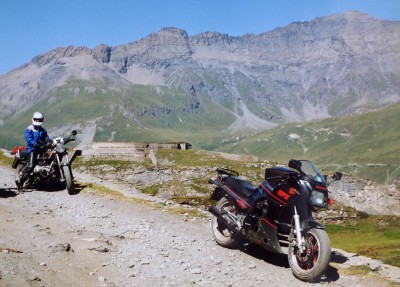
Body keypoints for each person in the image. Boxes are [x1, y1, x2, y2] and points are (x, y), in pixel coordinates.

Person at [17, 112, 50, 189]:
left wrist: (50, 142)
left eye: (39, 120)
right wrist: (36, 145)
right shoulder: (29, 129)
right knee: (31, 165)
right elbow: (29, 139)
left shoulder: (43, 130)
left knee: (48, 160)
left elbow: (47, 138)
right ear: (33, 119)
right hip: (32, 149)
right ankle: (21, 182)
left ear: (42, 120)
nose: (38, 121)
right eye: (36, 119)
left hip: (41, 149)